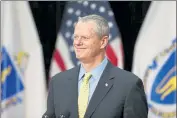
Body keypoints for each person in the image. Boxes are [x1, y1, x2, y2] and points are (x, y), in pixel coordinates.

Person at [43, 14, 148, 118]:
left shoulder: (129, 85)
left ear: (103, 42)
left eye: (85, 37)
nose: (77, 43)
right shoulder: (58, 82)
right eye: (76, 37)